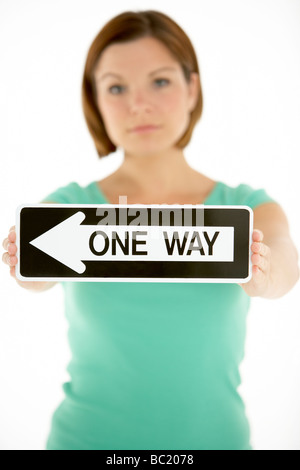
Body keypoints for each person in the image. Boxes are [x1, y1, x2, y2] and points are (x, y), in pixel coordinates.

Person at [2, 10, 299, 450]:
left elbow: (285, 261)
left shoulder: (248, 206)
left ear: (192, 88)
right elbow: (35, 273)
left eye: (159, 81)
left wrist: (267, 273)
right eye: (116, 88)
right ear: (96, 101)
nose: (138, 104)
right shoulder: (71, 205)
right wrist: (25, 265)